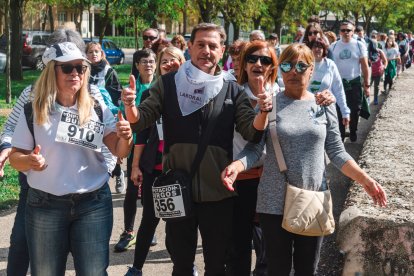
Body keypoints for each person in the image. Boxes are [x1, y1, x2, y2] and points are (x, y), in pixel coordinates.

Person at [221, 43, 387, 276]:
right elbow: (254, 149)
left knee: (307, 269)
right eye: (287, 65)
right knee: (277, 269)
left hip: (313, 198)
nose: (293, 71)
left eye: (301, 66)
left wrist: (366, 181)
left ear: (312, 70)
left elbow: (337, 152)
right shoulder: (271, 104)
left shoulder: (324, 105)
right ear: (280, 70)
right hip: (273, 202)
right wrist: (236, 166)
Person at [122, 22, 272, 275]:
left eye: (213, 46)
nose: (206, 51)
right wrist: (130, 106)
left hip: (218, 194)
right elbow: (141, 119)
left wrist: (264, 110)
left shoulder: (232, 90)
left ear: (221, 51)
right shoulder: (169, 84)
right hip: (177, 190)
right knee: (181, 264)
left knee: (215, 264)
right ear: (189, 47)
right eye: (200, 44)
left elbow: (252, 131)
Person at [9, 42, 133, 275]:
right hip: (45, 205)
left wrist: (126, 137)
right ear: (51, 72)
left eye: (80, 68)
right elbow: (16, 157)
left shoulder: (95, 106)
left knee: (93, 272)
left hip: (93, 204)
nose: (75, 73)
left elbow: (119, 150)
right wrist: (30, 162)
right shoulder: (33, 108)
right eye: (67, 68)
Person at [125, 46, 186, 276]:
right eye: (164, 62)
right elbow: (141, 133)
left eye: (174, 61)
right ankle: (136, 268)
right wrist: (135, 166)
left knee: (177, 224)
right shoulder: (150, 93)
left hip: (179, 168)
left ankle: (183, 266)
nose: (168, 65)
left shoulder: (192, 94)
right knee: (149, 219)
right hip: (154, 167)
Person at [226, 40, 279, 276]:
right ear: (243, 64)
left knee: (269, 248)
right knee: (238, 246)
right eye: (253, 59)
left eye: (265, 60)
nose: (259, 64)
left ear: (272, 66)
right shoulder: (231, 93)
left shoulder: (281, 93)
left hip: (272, 181)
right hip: (241, 178)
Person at [115, 48, 157, 253]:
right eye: (144, 61)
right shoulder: (131, 89)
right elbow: (124, 119)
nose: (148, 64)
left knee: (152, 192)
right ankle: (129, 232)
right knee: (132, 191)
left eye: (151, 61)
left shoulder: (163, 86)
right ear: (137, 65)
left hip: (157, 148)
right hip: (135, 146)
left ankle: (150, 229)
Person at [86, 41, 126, 193]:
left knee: (110, 147)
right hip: (87, 113)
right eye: (90, 52)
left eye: (97, 51)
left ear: (102, 53)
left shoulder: (109, 71)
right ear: (86, 55)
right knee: (93, 146)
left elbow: (117, 95)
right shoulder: (83, 70)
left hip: (106, 113)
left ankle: (118, 172)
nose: (94, 54)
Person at [329, 20, 370, 142]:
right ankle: (341, 134)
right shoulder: (334, 46)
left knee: (355, 109)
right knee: (338, 109)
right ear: (339, 32)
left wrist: (367, 84)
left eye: (349, 30)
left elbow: (364, 65)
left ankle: (353, 130)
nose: (346, 32)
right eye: (343, 30)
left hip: (354, 82)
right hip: (338, 83)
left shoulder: (359, 45)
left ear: (353, 32)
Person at [309, 38, 350, 127]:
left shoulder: (330, 65)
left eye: (320, 47)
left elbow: (339, 90)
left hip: (328, 110)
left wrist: (345, 112)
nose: (317, 49)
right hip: (308, 110)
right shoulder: (304, 65)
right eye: (314, 47)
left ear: (324, 49)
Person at [367, 38, 388, 105]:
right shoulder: (367, 52)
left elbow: (385, 61)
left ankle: (375, 98)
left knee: (377, 86)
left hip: (378, 72)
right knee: (368, 86)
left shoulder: (380, 52)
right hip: (369, 73)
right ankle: (367, 99)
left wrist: (384, 67)